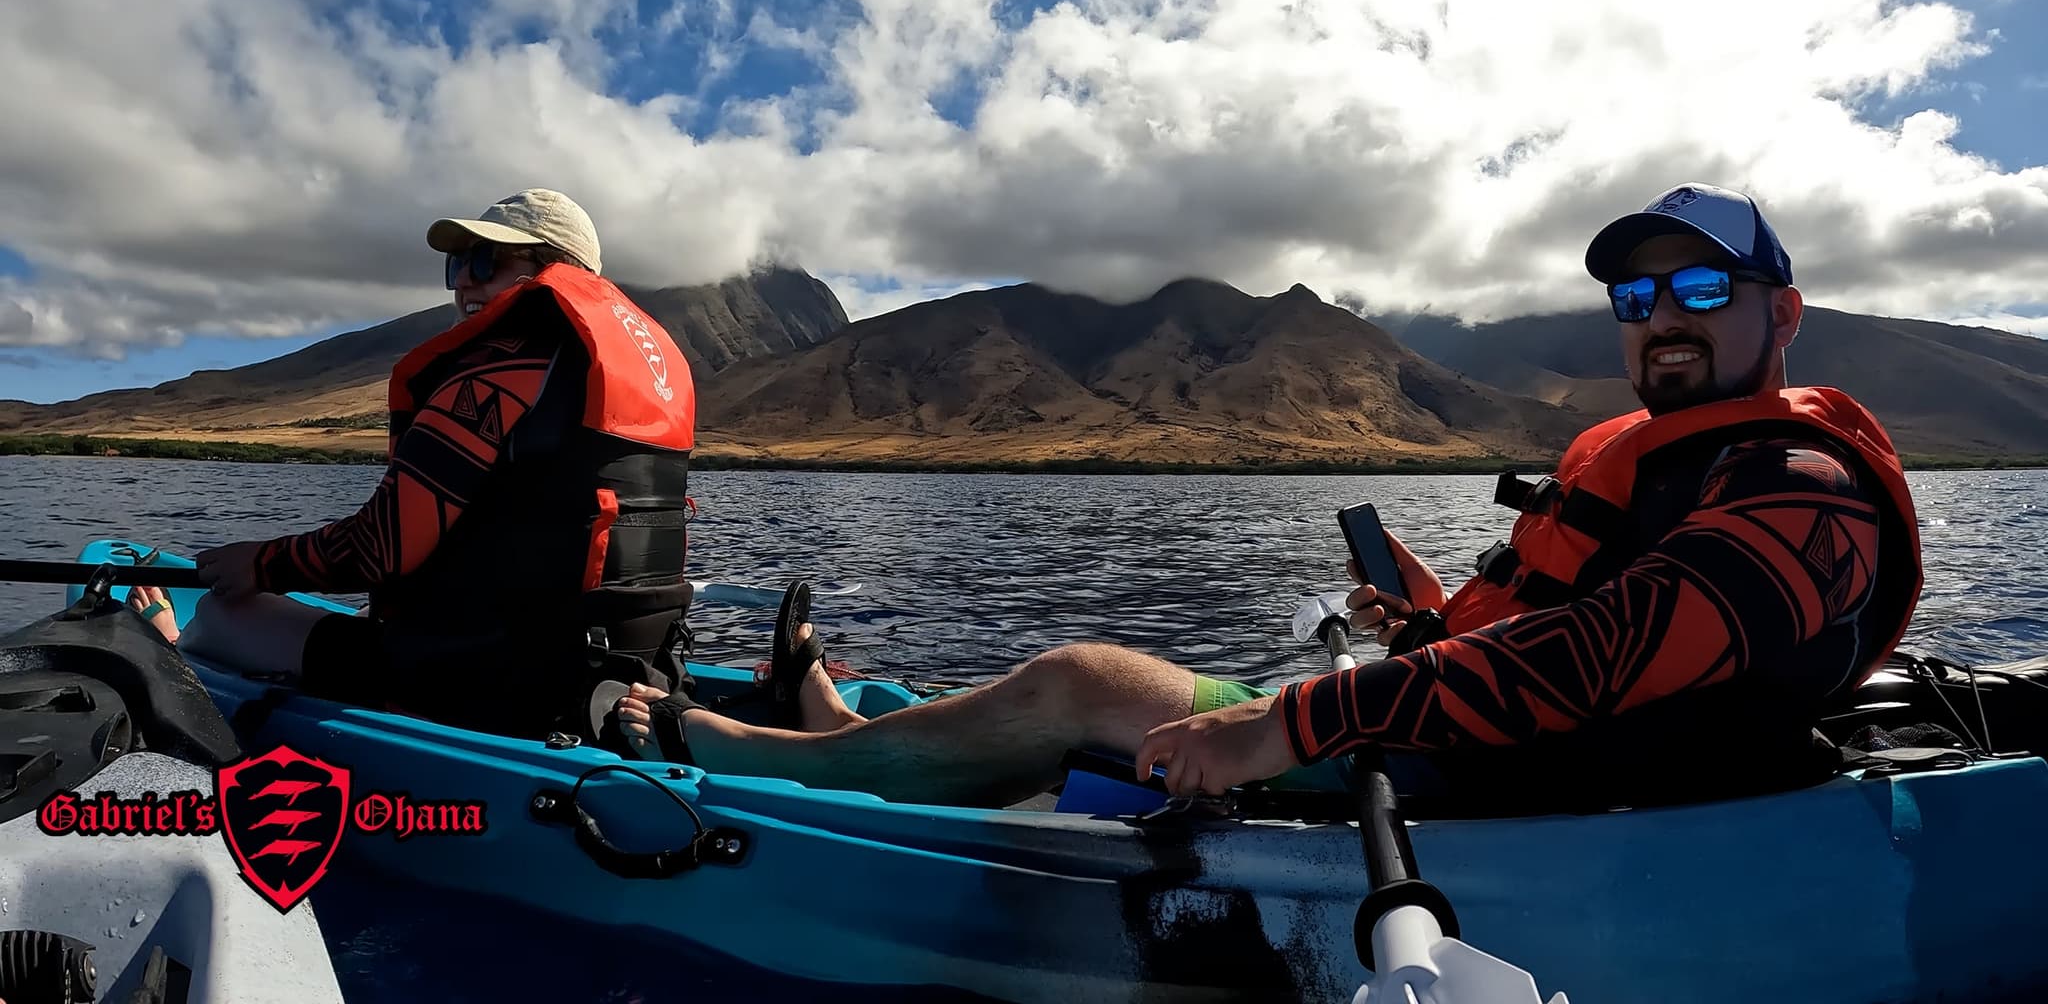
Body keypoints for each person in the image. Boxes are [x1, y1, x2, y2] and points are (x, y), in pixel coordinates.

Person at [603, 181, 1925, 811]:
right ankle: (844, 726)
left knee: (1078, 681)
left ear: (1783, 312)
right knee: (1079, 684)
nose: (1665, 321)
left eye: (1705, 292)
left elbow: (1609, 653)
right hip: (1474, 753)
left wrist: (1288, 728)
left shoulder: (1805, 491)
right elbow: (1555, 634)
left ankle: (762, 757)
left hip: (1523, 802)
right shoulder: (1695, 463)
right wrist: (1423, 625)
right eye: (1640, 298)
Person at [126, 189, 701, 740]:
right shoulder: (631, 377)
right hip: (615, 679)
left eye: (487, 260)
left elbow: (382, 548)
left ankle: (173, 642)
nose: (465, 281)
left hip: (491, 685)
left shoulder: (497, 374)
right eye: (457, 265)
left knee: (224, 617)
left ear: (551, 271)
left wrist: (259, 563)